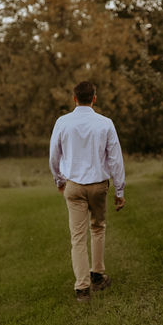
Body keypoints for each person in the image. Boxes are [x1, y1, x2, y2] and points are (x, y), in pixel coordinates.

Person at [49, 81, 126, 303]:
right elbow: (115, 159)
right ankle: (98, 275)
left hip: (72, 185)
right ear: (94, 98)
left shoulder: (63, 122)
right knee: (98, 228)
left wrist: (59, 180)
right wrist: (119, 190)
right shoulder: (105, 123)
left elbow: (54, 155)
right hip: (98, 185)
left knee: (78, 237)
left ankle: (82, 288)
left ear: (74, 98)